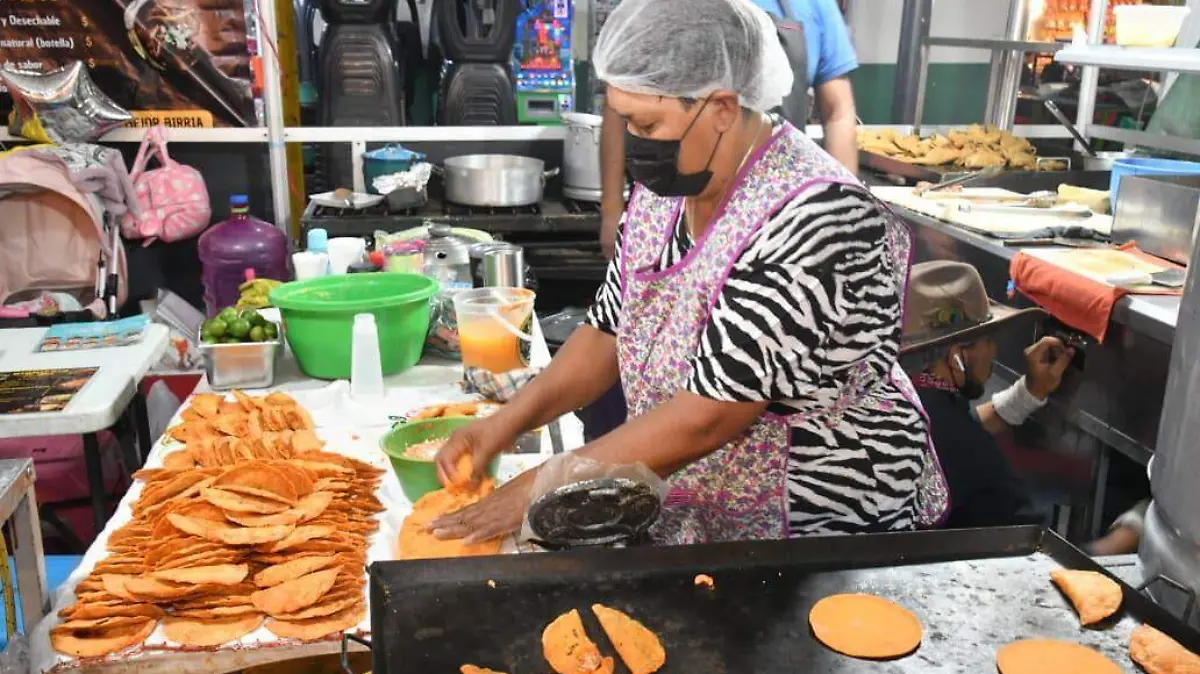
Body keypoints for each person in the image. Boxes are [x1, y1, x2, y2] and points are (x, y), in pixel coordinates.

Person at [429, 0, 946, 546]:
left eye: (647, 124)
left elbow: (711, 415)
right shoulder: (670, 188)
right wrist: (506, 422)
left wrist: (541, 487)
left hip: (821, 522)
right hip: (705, 503)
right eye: (624, 120)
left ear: (722, 107)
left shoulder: (814, 214)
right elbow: (608, 329)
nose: (634, 142)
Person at [598, 0, 861, 259]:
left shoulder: (815, 5)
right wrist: (611, 207)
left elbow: (838, 112)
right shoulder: (649, 213)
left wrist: (843, 212)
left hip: (783, 202)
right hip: (675, 197)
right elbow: (624, 101)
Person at [899, 261, 1076, 529]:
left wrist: (1027, 394)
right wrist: (1130, 530)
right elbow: (1033, 542)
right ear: (957, 356)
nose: (993, 352)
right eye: (988, 340)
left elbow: (950, 429)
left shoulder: (895, 394)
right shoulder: (973, 454)